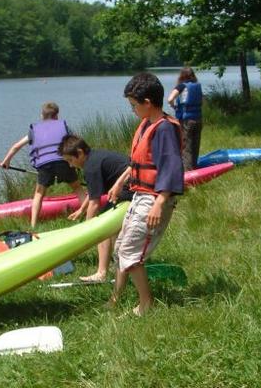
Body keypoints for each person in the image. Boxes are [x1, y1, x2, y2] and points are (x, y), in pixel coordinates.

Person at [107, 72, 184, 316]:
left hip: (154, 199)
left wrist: (159, 203)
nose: (132, 110)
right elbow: (137, 162)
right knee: (120, 247)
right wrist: (120, 183)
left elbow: (172, 167)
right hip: (141, 195)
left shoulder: (163, 130)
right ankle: (115, 298)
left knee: (130, 251)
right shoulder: (147, 125)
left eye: (134, 105)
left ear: (148, 103)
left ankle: (146, 304)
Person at [58, 134, 132, 283]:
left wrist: (88, 229)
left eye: (71, 161)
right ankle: (117, 264)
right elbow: (93, 194)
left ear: (79, 153)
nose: (71, 165)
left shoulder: (91, 167)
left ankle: (101, 273)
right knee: (110, 228)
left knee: (102, 227)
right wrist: (81, 210)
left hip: (131, 188)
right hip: (132, 186)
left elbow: (95, 203)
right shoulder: (94, 158)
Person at [1, 102, 84, 228]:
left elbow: (16, 146)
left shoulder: (34, 130)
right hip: (63, 161)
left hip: (44, 164)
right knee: (77, 188)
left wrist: (6, 162)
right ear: (57, 116)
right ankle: (90, 214)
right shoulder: (63, 126)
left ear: (42, 116)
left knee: (39, 194)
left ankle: (33, 225)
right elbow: (77, 141)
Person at [168, 67, 203, 170]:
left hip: (186, 120)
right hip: (198, 119)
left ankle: (188, 172)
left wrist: (174, 106)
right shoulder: (197, 86)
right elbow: (203, 100)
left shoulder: (181, 86)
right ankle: (195, 166)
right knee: (195, 144)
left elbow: (170, 99)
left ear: (182, 75)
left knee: (186, 147)